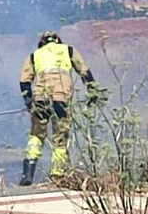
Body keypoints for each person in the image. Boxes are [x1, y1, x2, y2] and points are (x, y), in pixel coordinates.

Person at [17, 30, 103, 186]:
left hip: (41, 99)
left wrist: (29, 103)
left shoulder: (35, 55)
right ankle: (57, 177)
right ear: (58, 41)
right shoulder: (68, 50)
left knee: (36, 136)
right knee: (60, 139)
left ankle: (27, 175)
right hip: (61, 99)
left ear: (42, 43)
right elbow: (85, 72)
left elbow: (24, 81)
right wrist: (93, 93)